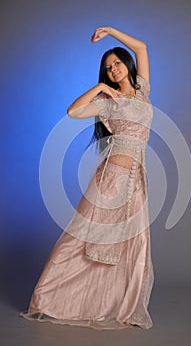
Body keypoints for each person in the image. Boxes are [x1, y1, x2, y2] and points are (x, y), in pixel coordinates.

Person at [20, 26, 155, 330]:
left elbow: (142, 47)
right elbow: (73, 111)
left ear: (127, 64)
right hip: (113, 178)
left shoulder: (143, 92)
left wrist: (110, 31)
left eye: (117, 63)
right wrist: (99, 89)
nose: (113, 69)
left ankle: (116, 303)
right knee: (84, 239)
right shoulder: (108, 102)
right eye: (108, 68)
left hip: (137, 180)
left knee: (132, 245)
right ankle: (48, 297)